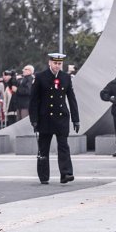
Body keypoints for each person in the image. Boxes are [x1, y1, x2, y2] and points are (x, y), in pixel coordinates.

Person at [29, 53, 80, 185]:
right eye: (55, 63)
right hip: (45, 118)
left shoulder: (66, 77)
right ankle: (44, 176)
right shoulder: (41, 77)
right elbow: (34, 100)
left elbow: (71, 99)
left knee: (63, 146)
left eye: (59, 64)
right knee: (43, 148)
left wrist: (76, 118)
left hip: (61, 117)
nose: (57, 66)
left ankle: (66, 173)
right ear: (49, 63)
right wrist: (33, 119)